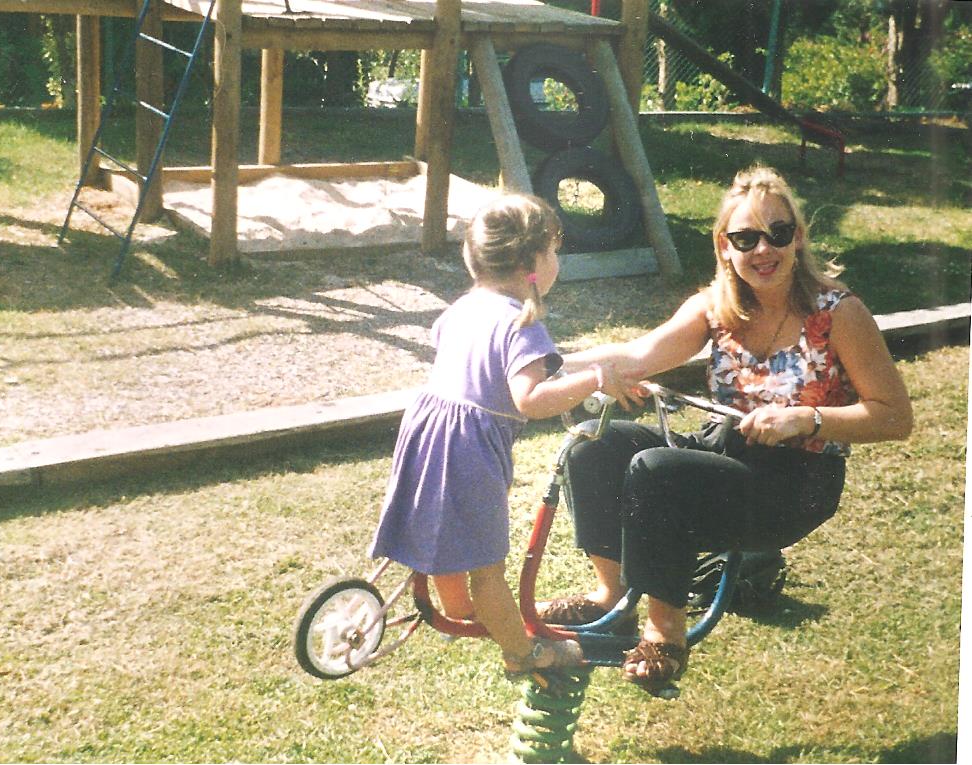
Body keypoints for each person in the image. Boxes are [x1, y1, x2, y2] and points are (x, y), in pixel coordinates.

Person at [541, 165, 913, 696]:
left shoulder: (839, 313)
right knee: (597, 444)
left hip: (794, 482)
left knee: (657, 469)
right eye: (746, 238)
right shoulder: (716, 307)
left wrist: (806, 418)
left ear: (798, 237)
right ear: (724, 246)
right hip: (724, 456)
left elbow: (894, 416)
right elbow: (636, 356)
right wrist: (542, 360)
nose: (764, 249)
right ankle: (611, 599)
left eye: (778, 233)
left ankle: (665, 634)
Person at [368, 193, 632, 677]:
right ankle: (523, 653)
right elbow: (529, 398)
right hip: (469, 447)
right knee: (486, 565)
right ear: (532, 264)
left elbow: (481, 361)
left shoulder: (463, 308)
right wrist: (595, 379)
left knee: (444, 530)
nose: (557, 263)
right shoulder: (522, 323)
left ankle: (460, 610)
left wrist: (581, 366)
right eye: (553, 252)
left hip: (428, 430)